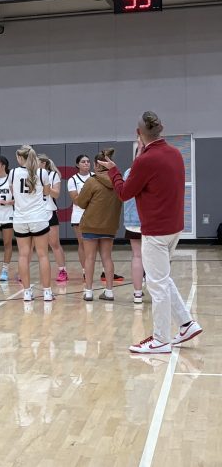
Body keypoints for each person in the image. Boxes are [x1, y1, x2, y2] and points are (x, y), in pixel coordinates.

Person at [99, 111, 202, 353]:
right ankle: (186, 324)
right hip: (175, 226)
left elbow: (125, 193)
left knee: (156, 284)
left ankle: (161, 339)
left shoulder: (145, 160)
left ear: (139, 134)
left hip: (156, 230)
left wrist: (113, 170)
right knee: (162, 278)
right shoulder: (175, 153)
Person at [74, 149, 122, 302]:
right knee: (107, 258)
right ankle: (109, 292)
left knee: (90, 258)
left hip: (90, 225)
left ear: (96, 165)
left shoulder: (91, 181)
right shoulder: (117, 181)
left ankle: (88, 292)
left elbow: (80, 203)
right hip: (109, 225)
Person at [10, 145, 53, 302]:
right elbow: (47, 193)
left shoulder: (13, 173)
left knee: (23, 255)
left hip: (20, 219)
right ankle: (47, 292)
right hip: (39, 218)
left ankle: (27, 292)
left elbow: (12, 192)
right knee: (43, 255)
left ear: (20, 158)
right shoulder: (43, 173)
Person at [38, 153, 68, 282]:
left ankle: (62, 270)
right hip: (36, 212)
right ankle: (24, 273)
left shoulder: (53, 175)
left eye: (36, 162)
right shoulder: (31, 176)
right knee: (33, 245)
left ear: (43, 164)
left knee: (54, 244)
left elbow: (56, 194)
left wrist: (46, 187)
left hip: (49, 211)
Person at [123, 143, 145, 304]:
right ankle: (157, 291)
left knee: (137, 255)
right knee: (154, 257)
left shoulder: (128, 173)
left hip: (132, 221)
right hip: (150, 221)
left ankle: (137, 294)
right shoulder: (155, 172)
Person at [67, 154, 93, 279]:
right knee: (82, 243)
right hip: (79, 215)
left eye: (88, 161)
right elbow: (76, 200)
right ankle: (84, 271)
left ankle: (100, 270)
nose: (86, 163)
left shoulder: (95, 177)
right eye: (83, 162)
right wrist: (92, 201)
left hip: (94, 215)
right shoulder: (73, 180)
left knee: (96, 244)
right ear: (77, 164)